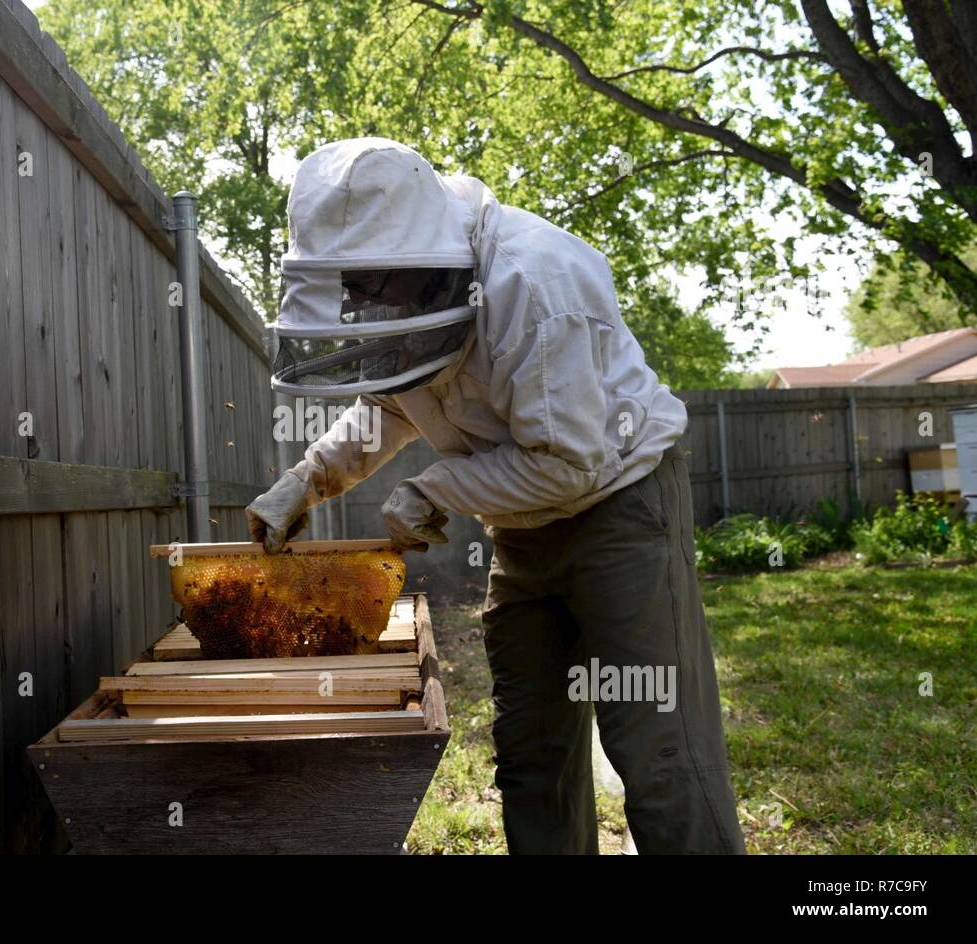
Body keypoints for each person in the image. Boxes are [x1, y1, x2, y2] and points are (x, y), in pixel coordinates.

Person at [246, 137, 745, 855]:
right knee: (532, 751)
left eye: (367, 281)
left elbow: (571, 462)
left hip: (619, 506)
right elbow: (393, 403)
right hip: (521, 524)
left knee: (659, 749)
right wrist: (304, 482)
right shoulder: (405, 293)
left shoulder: (537, 287)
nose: (356, 299)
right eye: (346, 282)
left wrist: (437, 485)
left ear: (420, 261)